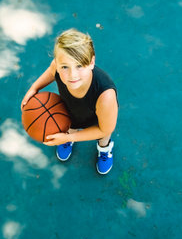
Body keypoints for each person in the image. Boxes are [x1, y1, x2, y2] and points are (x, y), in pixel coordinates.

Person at [21, 29, 118, 174]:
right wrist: (34, 88)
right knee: (69, 126)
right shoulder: (57, 66)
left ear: (91, 62)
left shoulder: (105, 96)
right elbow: (50, 71)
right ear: (58, 63)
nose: (72, 75)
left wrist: (69, 137)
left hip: (98, 120)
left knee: (103, 137)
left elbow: (105, 129)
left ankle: (104, 150)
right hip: (70, 112)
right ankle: (66, 139)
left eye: (79, 66)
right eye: (65, 67)